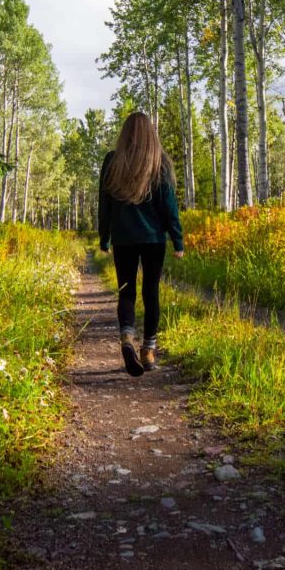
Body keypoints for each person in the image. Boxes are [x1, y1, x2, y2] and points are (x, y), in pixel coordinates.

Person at [98, 112, 184, 377]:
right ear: (151, 133)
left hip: (124, 238)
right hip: (153, 240)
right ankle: (148, 350)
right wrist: (177, 239)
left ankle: (126, 338)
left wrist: (104, 237)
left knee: (126, 291)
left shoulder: (113, 161)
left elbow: (105, 204)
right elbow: (169, 207)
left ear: (125, 133)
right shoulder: (160, 163)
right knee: (151, 292)